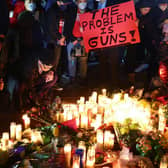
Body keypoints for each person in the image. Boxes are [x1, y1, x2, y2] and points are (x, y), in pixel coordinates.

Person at [66, 0, 90, 85]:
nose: (82, 3)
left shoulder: (89, 12)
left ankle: (82, 78)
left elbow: (92, 29)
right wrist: (73, 39)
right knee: (72, 60)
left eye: (84, 1)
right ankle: (72, 78)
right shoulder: (71, 11)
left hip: (84, 41)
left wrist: (85, 39)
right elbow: (67, 26)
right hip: (73, 41)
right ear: (76, 2)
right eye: (80, 1)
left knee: (83, 60)